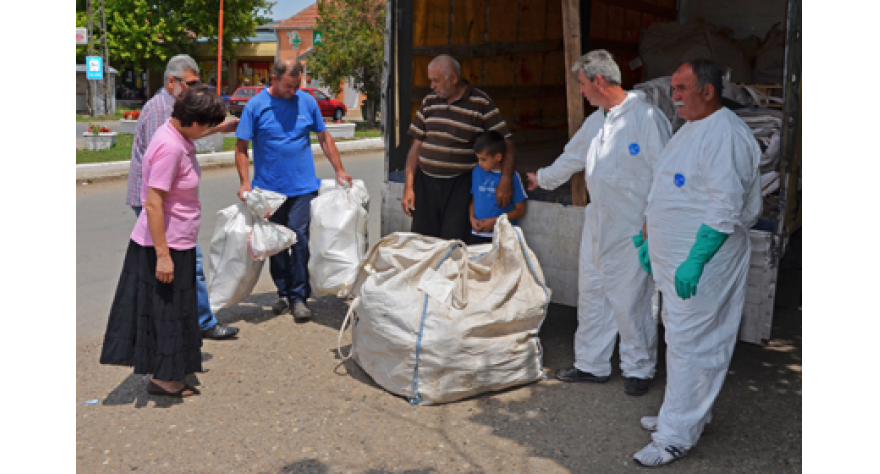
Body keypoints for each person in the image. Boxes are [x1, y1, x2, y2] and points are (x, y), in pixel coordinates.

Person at [631, 59, 762, 467]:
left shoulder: (725, 134)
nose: (675, 97)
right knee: (679, 337)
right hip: (676, 259)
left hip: (705, 263)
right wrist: (649, 238)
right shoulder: (688, 128)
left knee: (694, 344)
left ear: (708, 90)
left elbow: (725, 207)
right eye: (673, 88)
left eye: (682, 88)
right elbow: (666, 187)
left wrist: (696, 260)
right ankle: (683, 414)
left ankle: (675, 437)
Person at [525, 50, 672, 396]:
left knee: (632, 296)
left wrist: (653, 219)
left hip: (632, 225)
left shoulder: (646, 118)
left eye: (581, 84)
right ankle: (591, 364)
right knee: (592, 293)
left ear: (599, 81)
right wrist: (541, 179)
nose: (580, 91)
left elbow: (665, 172)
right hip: (598, 221)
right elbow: (572, 156)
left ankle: (639, 368)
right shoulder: (598, 122)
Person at [101, 86, 229, 397]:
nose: (209, 130)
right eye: (208, 124)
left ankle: (171, 371)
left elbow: (195, 133)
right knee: (167, 314)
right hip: (163, 244)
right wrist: (163, 255)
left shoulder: (176, 133)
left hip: (178, 240)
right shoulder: (170, 148)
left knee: (176, 311)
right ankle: (162, 379)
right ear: (193, 121)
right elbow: (153, 202)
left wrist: (226, 125)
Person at [125, 54, 240, 340]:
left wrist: (218, 127)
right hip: (156, 204)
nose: (193, 88)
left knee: (185, 270)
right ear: (171, 81)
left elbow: (185, 134)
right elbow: (163, 165)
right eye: (190, 83)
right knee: (182, 268)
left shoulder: (176, 111)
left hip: (165, 203)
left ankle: (186, 325)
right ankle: (197, 324)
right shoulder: (157, 111)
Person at [234, 60, 353, 321]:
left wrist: (339, 169)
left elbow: (324, 137)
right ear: (274, 79)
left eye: (297, 85)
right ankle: (283, 293)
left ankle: (299, 297)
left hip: (302, 187)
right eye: (289, 86)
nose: (293, 91)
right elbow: (241, 147)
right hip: (268, 190)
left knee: (299, 238)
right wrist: (245, 182)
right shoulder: (256, 105)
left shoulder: (306, 101)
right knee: (275, 243)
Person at [402, 54, 516, 242]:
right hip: (425, 184)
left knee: (452, 242)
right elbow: (417, 146)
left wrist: (505, 179)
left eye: (436, 81)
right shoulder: (429, 101)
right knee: (422, 242)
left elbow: (506, 142)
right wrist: (409, 187)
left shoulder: (480, 103)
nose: (432, 86)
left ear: (453, 79)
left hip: (459, 186)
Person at [469, 131, 527, 244]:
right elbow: (473, 200)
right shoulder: (476, 172)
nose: (479, 163)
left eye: (483, 159)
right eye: (478, 158)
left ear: (498, 157)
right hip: (477, 233)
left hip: (503, 236)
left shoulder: (513, 177)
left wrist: (496, 222)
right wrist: (471, 218)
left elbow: (520, 210)